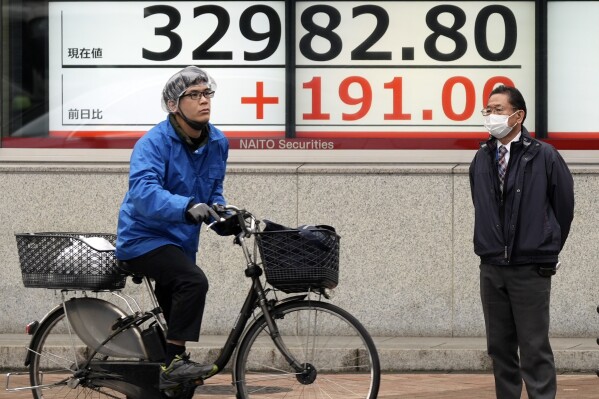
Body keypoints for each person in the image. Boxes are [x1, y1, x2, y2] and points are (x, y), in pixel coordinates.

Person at [115, 66, 231, 392]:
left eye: (207, 93)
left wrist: (221, 216)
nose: (204, 100)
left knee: (182, 379)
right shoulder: (153, 144)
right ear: (173, 105)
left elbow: (211, 194)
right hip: (142, 239)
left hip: (178, 246)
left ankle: (171, 369)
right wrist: (185, 207)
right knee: (193, 281)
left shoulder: (218, 142)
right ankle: (175, 362)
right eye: (193, 95)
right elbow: (143, 194)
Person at [469, 85, 574, 399]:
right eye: (488, 110)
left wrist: (545, 247)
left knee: (534, 348)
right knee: (500, 350)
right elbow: (481, 205)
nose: (491, 116)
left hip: (530, 267)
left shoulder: (544, 155)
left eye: (498, 109)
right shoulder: (482, 157)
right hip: (492, 267)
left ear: (518, 115)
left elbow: (563, 207)